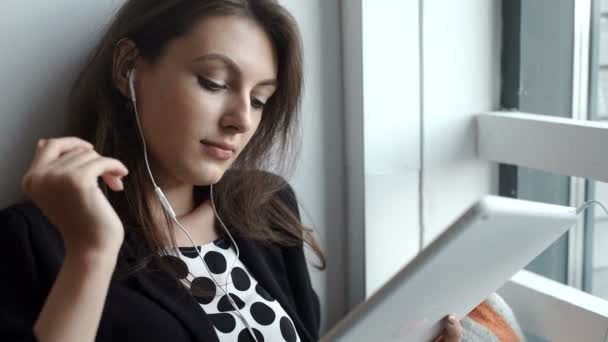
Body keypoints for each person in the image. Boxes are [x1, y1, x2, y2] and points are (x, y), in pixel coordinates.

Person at [0, 1, 462, 341]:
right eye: (214, 83)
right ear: (127, 68)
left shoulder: (264, 206)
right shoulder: (35, 240)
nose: (241, 119)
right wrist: (92, 252)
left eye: (260, 99)